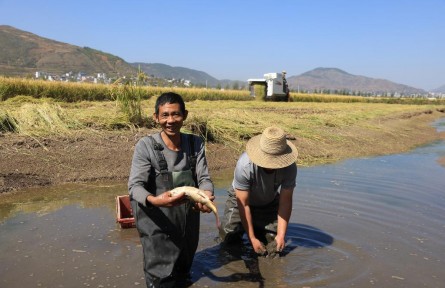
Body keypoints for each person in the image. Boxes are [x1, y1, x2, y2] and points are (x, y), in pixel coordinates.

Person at [128, 92, 214, 288]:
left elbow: (204, 179)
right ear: (156, 117)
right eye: (165, 115)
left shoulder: (195, 143)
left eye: (175, 114)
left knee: (183, 272)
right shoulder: (146, 146)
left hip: (188, 222)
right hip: (156, 222)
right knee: (161, 278)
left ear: (184, 115)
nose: (170, 120)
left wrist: (206, 195)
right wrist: (157, 201)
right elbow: (135, 187)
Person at [219, 126, 298, 256]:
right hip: (239, 200)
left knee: (274, 245)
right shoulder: (245, 165)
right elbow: (243, 204)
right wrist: (251, 238)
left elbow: (285, 202)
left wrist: (281, 235)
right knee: (228, 239)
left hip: (268, 200)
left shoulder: (289, 167)